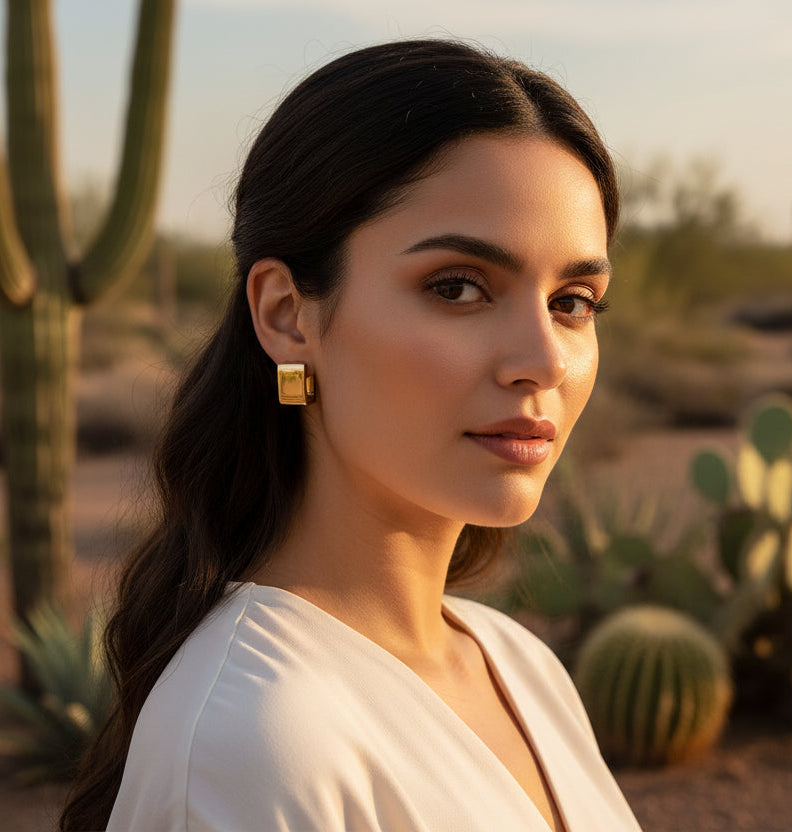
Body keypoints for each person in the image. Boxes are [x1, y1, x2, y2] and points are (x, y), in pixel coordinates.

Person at [61, 39, 642, 832]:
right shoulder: (255, 739)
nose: (542, 360)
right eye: (458, 287)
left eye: (573, 301)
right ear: (286, 315)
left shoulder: (517, 662)